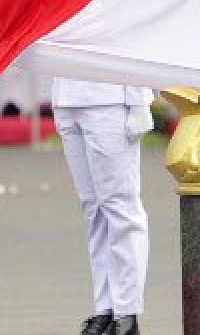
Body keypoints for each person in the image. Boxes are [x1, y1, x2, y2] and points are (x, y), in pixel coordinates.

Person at [52, 77, 153, 335]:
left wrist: (139, 100)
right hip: (66, 98)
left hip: (109, 98)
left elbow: (128, 40)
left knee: (121, 209)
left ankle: (127, 314)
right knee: (94, 210)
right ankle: (105, 308)